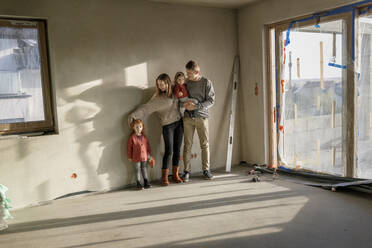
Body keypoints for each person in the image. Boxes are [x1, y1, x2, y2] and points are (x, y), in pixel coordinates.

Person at [128, 73, 183, 186]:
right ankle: (164, 177)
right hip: (168, 126)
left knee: (177, 150)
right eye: (158, 85)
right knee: (169, 151)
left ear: (168, 83)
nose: (160, 86)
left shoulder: (175, 91)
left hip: (179, 124)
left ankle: (175, 175)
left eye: (162, 84)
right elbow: (146, 108)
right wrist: (134, 115)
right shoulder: (157, 98)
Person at [182, 60, 215, 182]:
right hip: (187, 118)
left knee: (204, 145)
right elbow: (181, 96)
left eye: (189, 73)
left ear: (197, 71)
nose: (187, 76)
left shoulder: (206, 82)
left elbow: (211, 101)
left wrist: (196, 107)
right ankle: (186, 171)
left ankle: (206, 170)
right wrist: (184, 104)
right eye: (187, 73)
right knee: (187, 145)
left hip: (202, 117)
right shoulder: (186, 82)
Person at [127, 119, 153, 190]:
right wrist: (129, 156)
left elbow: (147, 147)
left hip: (144, 157)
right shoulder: (132, 137)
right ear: (133, 128)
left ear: (142, 127)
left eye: (140, 127)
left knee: (144, 169)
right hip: (136, 157)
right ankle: (138, 183)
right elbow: (129, 148)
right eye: (137, 127)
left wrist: (149, 155)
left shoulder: (144, 137)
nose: (139, 129)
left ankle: (146, 181)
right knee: (137, 170)